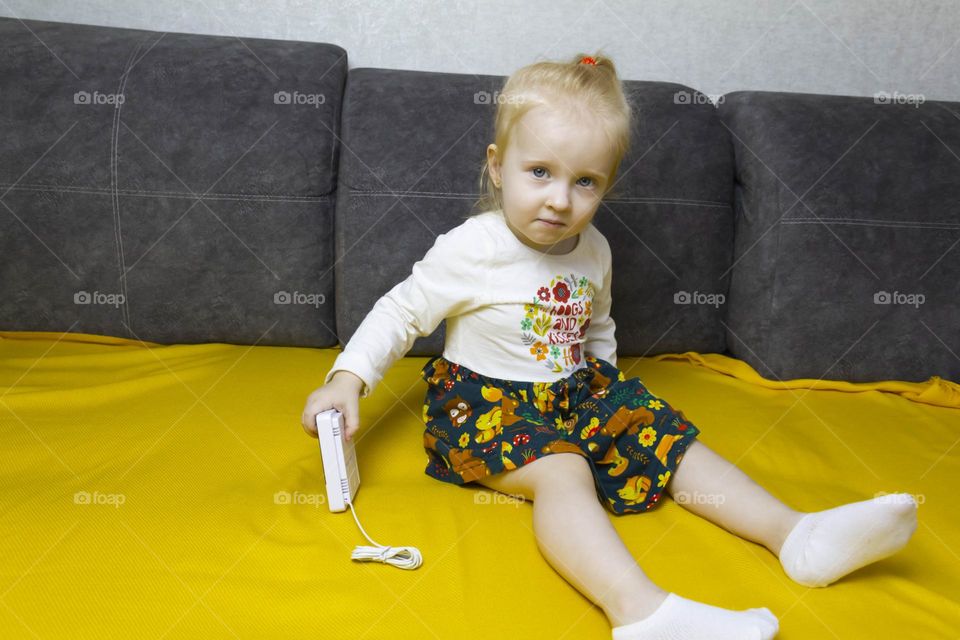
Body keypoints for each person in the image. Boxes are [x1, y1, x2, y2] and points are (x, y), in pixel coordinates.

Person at [301, 52, 919, 640]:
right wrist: (346, 379)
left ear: (605, 184)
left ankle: (797, 537)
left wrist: (608, 393)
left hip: (573, 391)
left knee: (672, 439)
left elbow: (595, 325)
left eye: (585, 181)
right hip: (486, 408)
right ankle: (640, 610)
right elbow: (399, 313)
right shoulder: (476, 247)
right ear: (497, 165)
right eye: (539, 172)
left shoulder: (593, 248)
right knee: (564, 471)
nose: (560, 199)